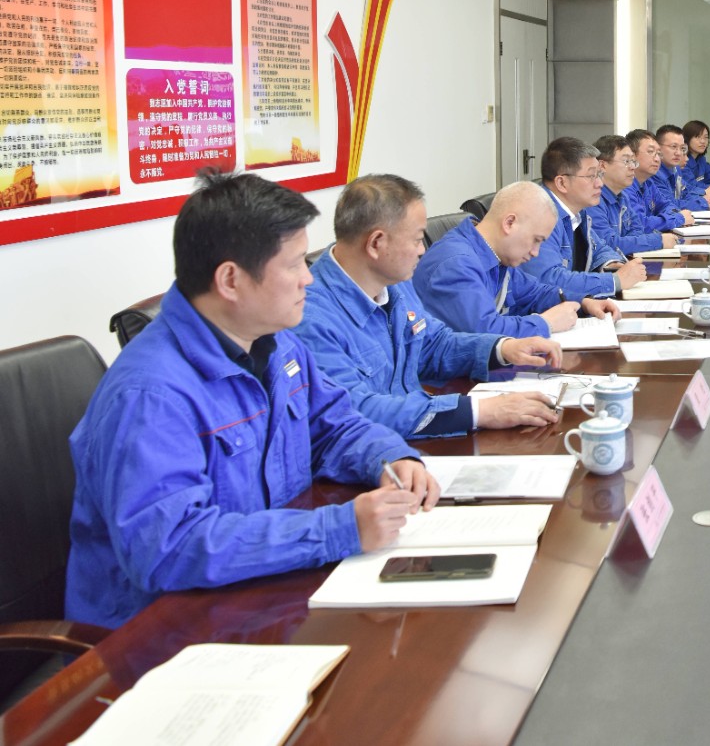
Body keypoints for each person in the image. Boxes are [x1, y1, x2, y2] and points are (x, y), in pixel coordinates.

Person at [66, 171, 439, 629]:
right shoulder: (149, 396)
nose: (308, 279)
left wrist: (390, 458)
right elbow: (169, 548)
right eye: (294, 265)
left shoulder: (277, 344)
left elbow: (335, 425)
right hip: (163, 632)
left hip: (262, 591)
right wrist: (338, 529)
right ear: (231, 280)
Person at [297, 174, 563, 439]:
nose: (422, 250)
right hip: (378, 452)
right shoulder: (311, 319)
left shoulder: (393, 282)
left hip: (414, 439)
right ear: (377, 243)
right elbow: (355, 410)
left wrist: (502, 348)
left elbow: (433, 345)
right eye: (416, 240)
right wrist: (478, 411)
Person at [413, 181, 617, 340]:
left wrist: (583, 302)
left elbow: (534, 293)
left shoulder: (496, 255)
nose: (535, 252)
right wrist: (545, 323)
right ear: (510, 223)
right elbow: (484, 333)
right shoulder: (456, 264)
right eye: (536, 240)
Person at [516, 137, 647, 299]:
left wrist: (612, 264)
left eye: (600, 174)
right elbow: (548, 279)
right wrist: (614, 281)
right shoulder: (539, 215)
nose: (600, 183)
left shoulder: (578, 212)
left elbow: (599, 247)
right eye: (591, 176)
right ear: (562, 183)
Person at [593, 133, 677, 255]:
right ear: (602, 166)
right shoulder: (593, 200)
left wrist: (632, 243)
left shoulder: (622, 196)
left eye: (633, 161)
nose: (632, 167)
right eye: (626, 161)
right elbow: (608, 244)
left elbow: (638, 230)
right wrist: (658, 240)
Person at [626, 128, 693, 231]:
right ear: (632, 156)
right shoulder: (625, 186)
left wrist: (676, 215)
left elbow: (666, 205)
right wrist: (678, 219)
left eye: (658, 153)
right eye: (651, 152)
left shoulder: (648, 182)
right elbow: (640, 224)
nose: (657, 159)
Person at [651, 124, 710, 213]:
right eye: (673, 147)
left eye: (682, 148)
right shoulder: (654, 173)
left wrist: (705, 199)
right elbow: (669, 204)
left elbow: (685, 194)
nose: (678, 153)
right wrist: (703, 202)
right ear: (658, 148)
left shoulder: (675, 169)